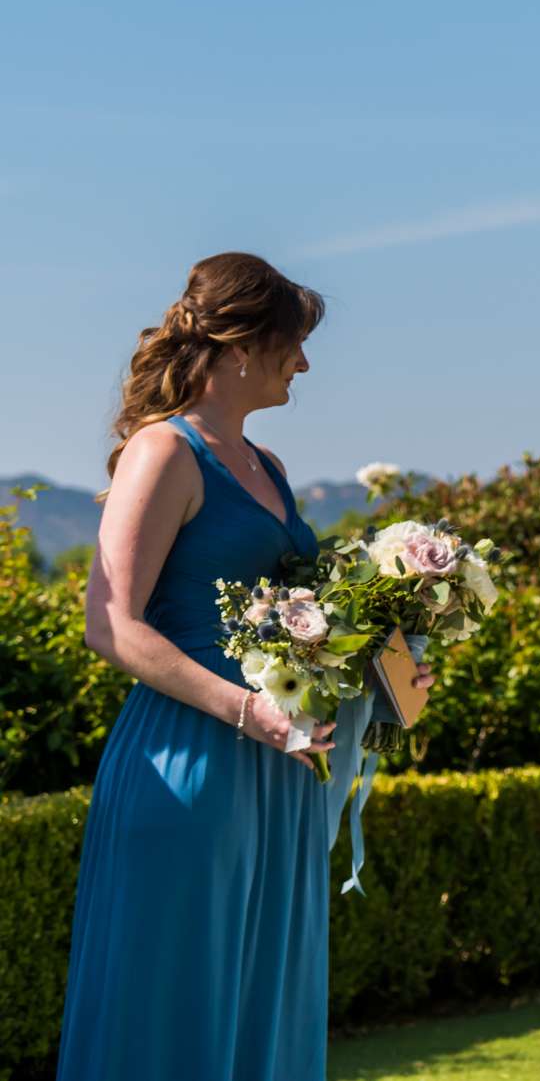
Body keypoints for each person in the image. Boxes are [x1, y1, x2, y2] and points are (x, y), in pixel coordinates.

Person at [58, 253, 429, 1081]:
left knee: (266, 984)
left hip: (281, 768)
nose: (304, 362)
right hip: (193, 758)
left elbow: (306, 624)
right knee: (178, 991)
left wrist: (386, 664)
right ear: (238, 347)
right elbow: (110, 624)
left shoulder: (273, 470)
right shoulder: (166, 452)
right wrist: (247, 711)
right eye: (293, 343)